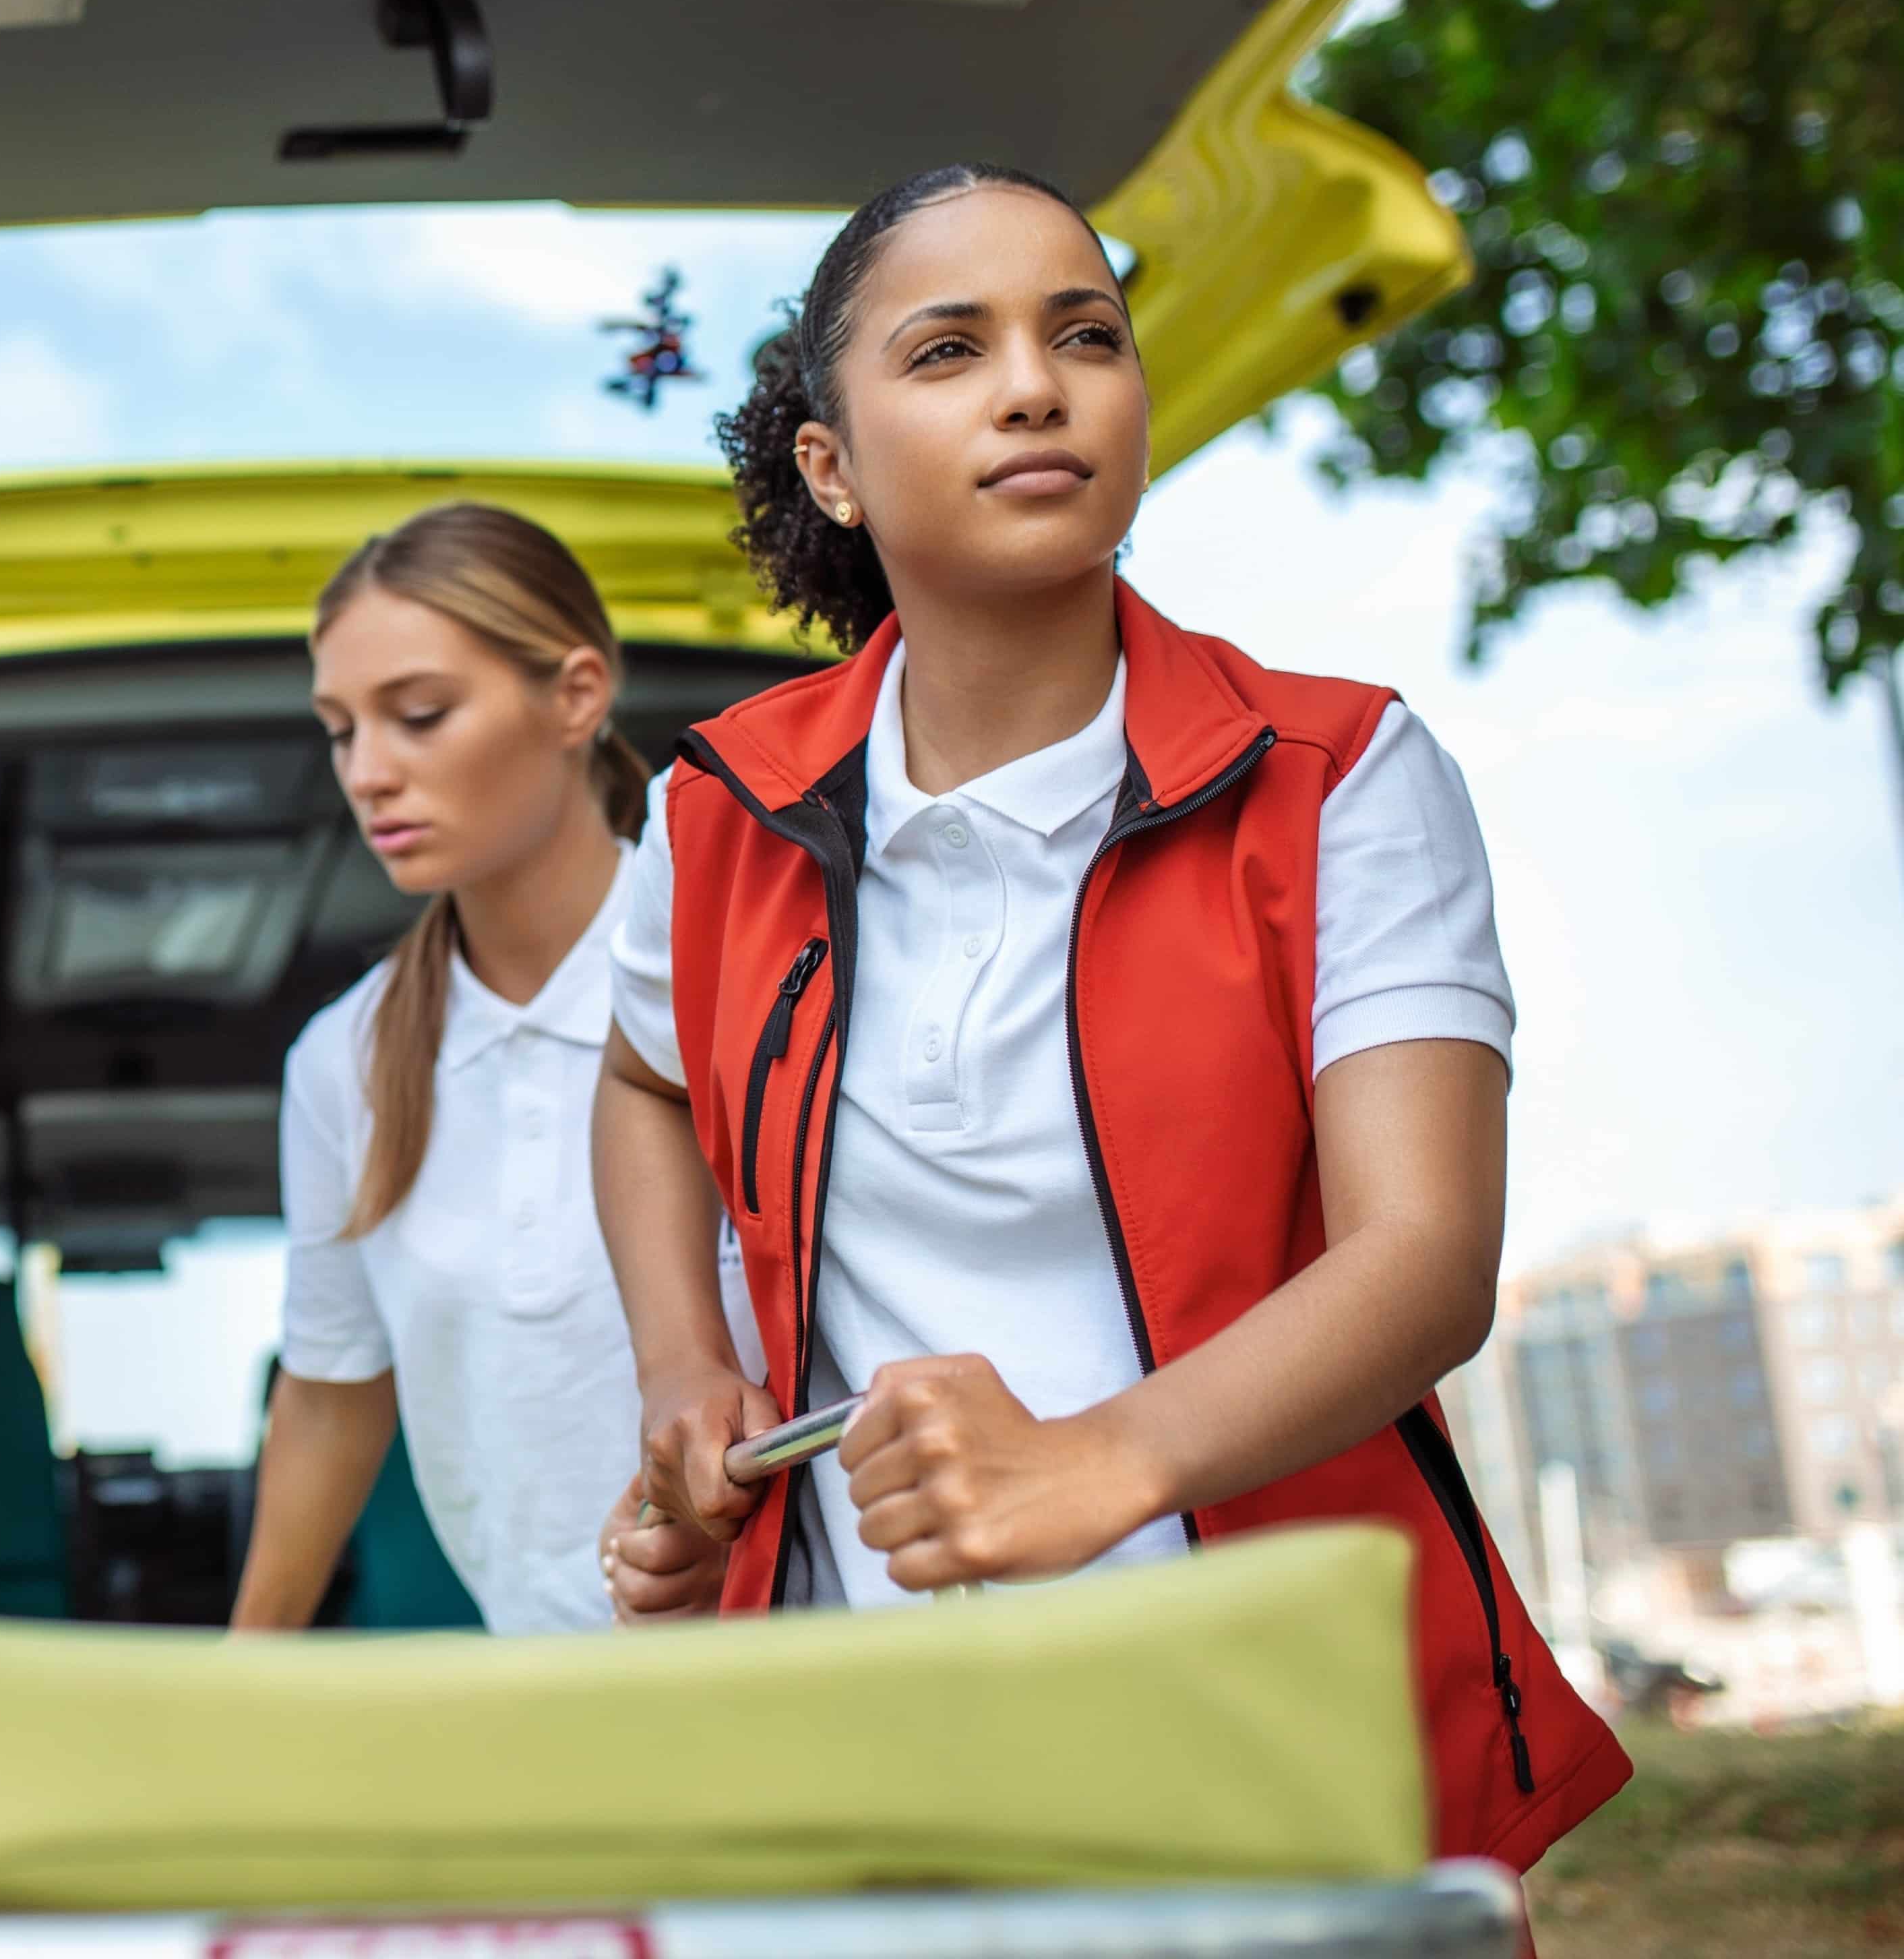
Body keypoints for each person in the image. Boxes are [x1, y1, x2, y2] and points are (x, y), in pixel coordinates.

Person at [586, 165, 1630, 1873]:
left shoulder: (1341, 778)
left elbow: (1424, 1256)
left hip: (1272, 1751)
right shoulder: (718, 812)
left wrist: (1100, 1461)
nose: (1033, 383)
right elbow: (635, 1083)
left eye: (1084, 333)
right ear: (827, 468)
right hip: (853, 1775)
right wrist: (680, 1367)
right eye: (947, 350)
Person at [231, 504, 747, 1635]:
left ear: (576, 695)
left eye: (420, 715)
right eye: (339, 729)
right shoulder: (344, 1064)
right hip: (550, 1704)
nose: (367, 773)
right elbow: (330, 1396)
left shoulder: (743, 968)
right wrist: (242, 1670)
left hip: (821, 1674)